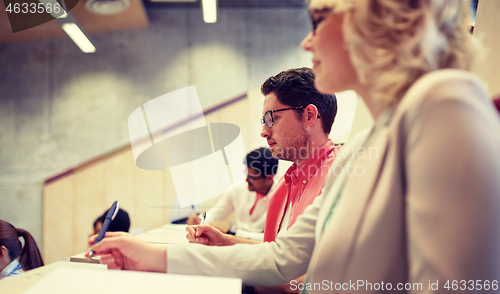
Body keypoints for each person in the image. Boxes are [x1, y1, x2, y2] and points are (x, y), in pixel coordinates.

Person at [88, 0, 500, 293]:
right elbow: (281, 257)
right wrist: (150, 256)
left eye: (319, 18)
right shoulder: (362, 148)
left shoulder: (445, 102)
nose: (307, 41)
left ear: (381, 15)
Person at [186, 148, 278, 241]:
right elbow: (217, 212)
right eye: (247, 175)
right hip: (233, 241)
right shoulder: (239, 188)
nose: (246, 180)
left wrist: (230, 233)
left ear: (270, 176)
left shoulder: (282, 197)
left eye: (252, 177)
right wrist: (199, 220)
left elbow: (274, 238)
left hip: (259, 247)